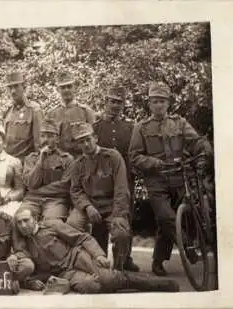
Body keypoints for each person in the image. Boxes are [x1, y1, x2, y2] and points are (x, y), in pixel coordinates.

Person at [128, 82, 213, 276]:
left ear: (168, 103)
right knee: (166, 217)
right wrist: (153, 163)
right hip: (156, 181)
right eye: (155, 101)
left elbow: (196, 141)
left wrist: (203, 152)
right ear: (149, 104)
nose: (158, 105)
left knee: (168, 223)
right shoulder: (141, 128)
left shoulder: (179, 123)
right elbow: (134, 157)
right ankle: (189, 247)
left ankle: (158, 261)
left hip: (179, 177)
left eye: (162, 101)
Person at [12, 208, 180, 293]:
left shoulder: (52, 225)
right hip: (65, 274)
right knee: (90, 286)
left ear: (35, 219)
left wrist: (98, 254)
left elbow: (83, 238)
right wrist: (29, 283)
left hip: (78, 257)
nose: (23, 225)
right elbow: (29, 270)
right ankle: (108, 281)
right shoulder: (23, 244)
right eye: (19, 223)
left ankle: (163, 285)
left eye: (26, 220)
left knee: (108, 278)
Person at [63, 122, 131, 271]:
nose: (86, 144)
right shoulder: (77, 165)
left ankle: (119, 269)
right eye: (81, 141)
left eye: (88, 139)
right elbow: (76, 191)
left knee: (121, 234)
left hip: (112, 206)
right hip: (90, 205)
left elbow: (121, 188)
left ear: (96, 138)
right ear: (78, 145)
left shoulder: (113, 157)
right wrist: (87, 207)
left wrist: (118, 214)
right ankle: (79, 263)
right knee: (71, 225)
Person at [92, 86, 140, 272]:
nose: (115, 105)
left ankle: (125, 258)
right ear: (106, 102)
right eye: (112, 101)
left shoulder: (131, 128)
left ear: (124, 104)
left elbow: (134, 154)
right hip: (101, 182)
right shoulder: (96, 128)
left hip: (124, 181)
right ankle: (100, 259)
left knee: (125, 217)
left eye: (119, 102)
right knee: (100, 221)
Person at [20, 119, 73, 222]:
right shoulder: (31, 159)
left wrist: (36, 190)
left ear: (57, 139)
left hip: (56, 201)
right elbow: (31, 183)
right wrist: (41, 159)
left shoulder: (67, 159)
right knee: (21, 219)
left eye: (49, 136)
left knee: (51, 222)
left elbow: (65, 186)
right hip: (32, 200)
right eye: (42, 136)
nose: (45, 140)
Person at [46, 70, 96, 157]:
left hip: (81, 159)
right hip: (60, 160)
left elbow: (93, 140)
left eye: (69, 86)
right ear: (58, 89)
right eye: (63, 87)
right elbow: (48, 141)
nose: (66, 90)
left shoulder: (86, 111)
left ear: (74, 88)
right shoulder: (52, 114)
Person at [3, 71, 43, 161]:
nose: (13, 91)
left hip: (25, 164)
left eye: (16, 86)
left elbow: (40, 144)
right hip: (8, 163)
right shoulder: (8, 112)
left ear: (23, 87)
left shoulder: (34, 110)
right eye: (10, 87)